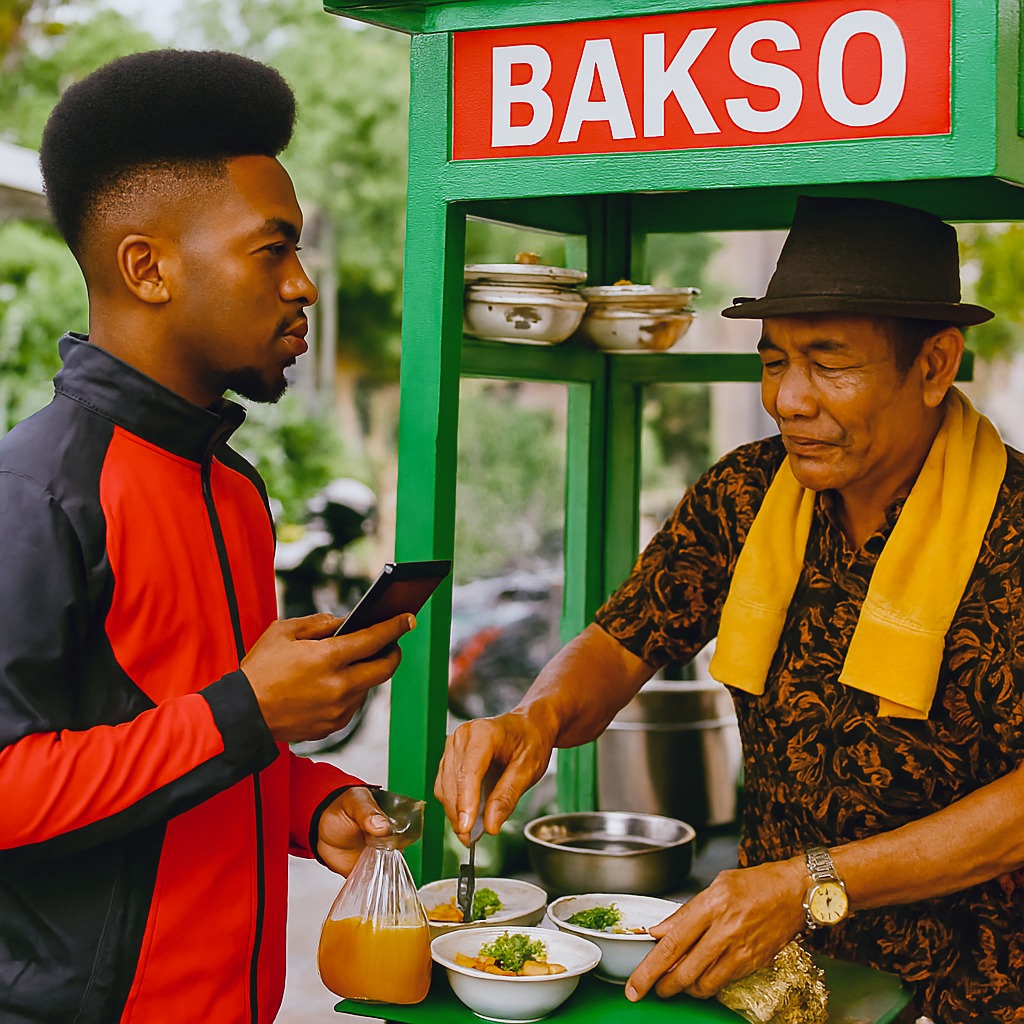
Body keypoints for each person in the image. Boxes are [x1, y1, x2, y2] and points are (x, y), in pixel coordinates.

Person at [436, 196, 1024, 1023]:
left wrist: (811, 883)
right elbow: (621, 639)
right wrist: (534, 719)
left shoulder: (1012, 528)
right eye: (774, 361)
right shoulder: (747, 492)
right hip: (777, 977)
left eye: (829, 364)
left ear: (934, 365)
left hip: (978, 988)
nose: (789, 399)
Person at [0, 50, 413, 1023]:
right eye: (273, 251)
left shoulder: (234, 488)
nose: (304, 286)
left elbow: (179, 739)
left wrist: (305, 802)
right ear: (147, 268)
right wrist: (248, 710)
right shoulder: (36, 492)